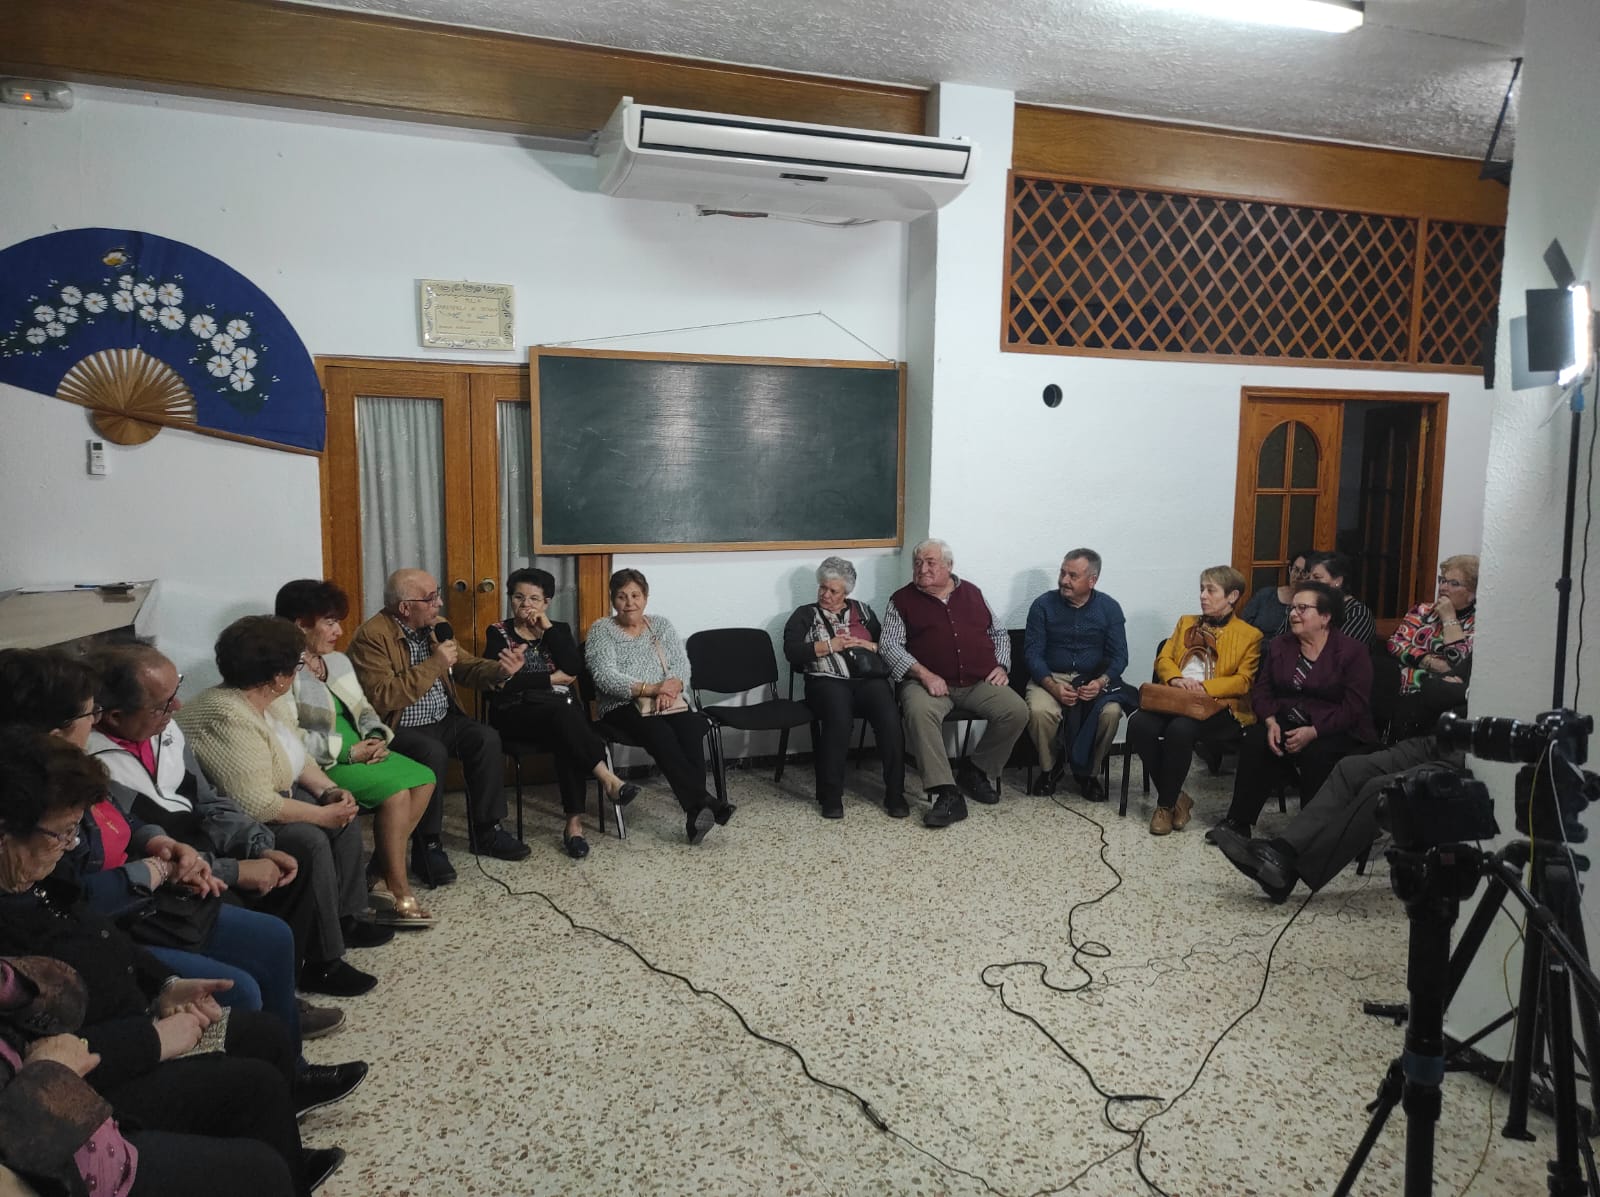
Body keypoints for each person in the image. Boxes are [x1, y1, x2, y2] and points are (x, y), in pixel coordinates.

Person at [0, 728, 360, 1194]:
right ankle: (269, 1166)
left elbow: (102, 936)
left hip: (131, 1023)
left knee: (261, 1033)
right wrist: (153, 1039)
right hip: (97, 1078)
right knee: (252, 1090)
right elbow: (43, 1055)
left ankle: (283, 1156)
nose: (72, 845)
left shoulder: (40, 874)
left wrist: (166, 984)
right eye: (62, 833)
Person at [0, 649, 347, 1033]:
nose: (96, 720)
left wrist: (161, 843)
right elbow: (74, 894)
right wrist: (183, 868)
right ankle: (267, 1036)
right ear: (56, 732)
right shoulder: (49, 794)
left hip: (164, 876)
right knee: (241, 981)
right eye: (90, 713)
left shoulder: (122, 747)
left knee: (276, 922)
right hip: (131, 910)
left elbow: (149, 813)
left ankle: (291, 1029)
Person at [175, 617, 383, 997]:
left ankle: (346, 917)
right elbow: (254, 803)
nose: (297, 670)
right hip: (231, 818)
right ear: (277, 676)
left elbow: (297, 757)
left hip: (275, 794)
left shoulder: (270, 701)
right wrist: (321, 815)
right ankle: (321, 962)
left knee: (344, 818)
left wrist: (329, 792)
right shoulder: (226, 714)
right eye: (295, 664)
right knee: (310, 838)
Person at [0, 954, 303, 1197]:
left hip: (80, 1100)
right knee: (261, 1169)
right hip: (70, 1142)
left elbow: (91, 955)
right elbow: (20, 1143)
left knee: (261, 1064)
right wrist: (150, 1039)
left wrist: (165, 985)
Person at [347, 568, 531, 885]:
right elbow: (383, 696)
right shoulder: (372, 637)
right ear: (405, 607)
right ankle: (427, 845)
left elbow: (465, 665)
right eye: (431, 598)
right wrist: (434, 664)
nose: (439, 603)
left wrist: (501, 670)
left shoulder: (435, 627)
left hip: (444, 719)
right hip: (397, 726)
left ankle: (487, 830)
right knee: (431, 752)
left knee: (485, 738)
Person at [275, 579, 437, 924]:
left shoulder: (336, 661)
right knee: (395, 795)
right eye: (329, 622)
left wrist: (378, 737)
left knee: (425, 778)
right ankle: (399, 889)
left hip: (361, 747)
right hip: (326, 760)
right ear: (299, 624)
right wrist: (349, 753)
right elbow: (290, 738)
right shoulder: (282, 671)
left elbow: (363, 708)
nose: (339, 630)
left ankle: (375, 872)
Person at [481, 568, 639, 859]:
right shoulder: (498, 633)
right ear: (510, 599)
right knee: (567, 719)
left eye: (533, 599)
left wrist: (547, 630)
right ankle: (607, 780)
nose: (525, 605)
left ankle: (574, 824)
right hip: (515, 713)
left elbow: (574, 669)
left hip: (558, 714)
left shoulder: (559, 630)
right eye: (518, 597)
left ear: (546, 602)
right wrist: (550, 679)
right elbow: (500, 684)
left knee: (565, 731)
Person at [879, 539, 1028, 828]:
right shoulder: (901, 600)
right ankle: (946, 793)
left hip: (977, 680)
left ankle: (975, 770)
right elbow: (889, 646)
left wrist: (1001, 665)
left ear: (949, 566)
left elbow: (998, 634)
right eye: (918, 563)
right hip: (925, 682)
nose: (923, 568)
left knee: (1017, 710)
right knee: (920, 714)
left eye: (930, 562)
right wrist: (924, 674)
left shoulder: (972, 593)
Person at [1212, 580, 1375, 839]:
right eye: (1292, 608)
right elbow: (1262, 690)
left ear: (1325, 617)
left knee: (1317, 753)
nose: (1293, 614)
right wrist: (1270, 722)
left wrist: (1314, 731)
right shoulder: (1280, 645)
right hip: (1287, 720)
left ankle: (1310, 831)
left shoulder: (1352, 652)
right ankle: (1238, 821)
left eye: (1302, 608)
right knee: (1255, 739)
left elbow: (1354, 707)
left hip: (1336, 728)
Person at [585, 568, 736, 845]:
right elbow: (605, 676)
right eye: (621, 596)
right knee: (660, 733)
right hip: (621, 705)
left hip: (666, 701)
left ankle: (696, 812)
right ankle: (705, 804)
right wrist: (652, 689)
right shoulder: (601, 630)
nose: (629, 602)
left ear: (646, 597)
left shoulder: (661, 625)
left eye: (635, 595)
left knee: (692, 727)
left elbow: (681, 665)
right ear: (612, 600)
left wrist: (673, 686)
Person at [1212, 736, 1458, 902]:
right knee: (1350, 768)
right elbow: (1432, 692)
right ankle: (1282, 849)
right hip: (1442, 740)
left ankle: (1291, 872)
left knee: (1382, 789)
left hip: (1467, 758)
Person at [1125, 566, 1263, 836]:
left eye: (1211, 590)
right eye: (1202, 589)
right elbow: (1164, 659)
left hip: (1221, 708)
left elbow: (1244, 680)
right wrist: (1176, 679)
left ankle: (1164, 806)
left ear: (1232, 596)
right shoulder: (1185, 622)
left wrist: (1203, 687)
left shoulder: (1250, 635)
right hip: (1177, 699)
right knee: (1139, 723)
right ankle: (1178, 798)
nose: (1203, 595)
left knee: (1181, 729)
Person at [781, 556, 907, 820]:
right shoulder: (805, 614)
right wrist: (830, 646)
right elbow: (791, 652)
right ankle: (831, 796)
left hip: (866, 680)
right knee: (839, 721)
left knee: (890, 719)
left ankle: (895, 794)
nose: (825, 594)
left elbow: (885, 645)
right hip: (825, 681)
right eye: (822, 588)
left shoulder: (864, 611)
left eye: (833, 590)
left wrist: (865, 645)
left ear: (846, 592)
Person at [1021, 548, 1137, 801]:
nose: (1064, 580)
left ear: (1092, 580)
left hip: (1094, 678)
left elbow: (1120, 657)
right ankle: (1050, 769)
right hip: (1051, 676)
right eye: (1063, 573)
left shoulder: (1109, 608)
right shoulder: (1042, 605)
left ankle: (1089, 774)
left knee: (1111, 713)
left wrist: (1101, 682)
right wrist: (1052, 686)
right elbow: (1032, 654)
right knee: (1040, 712)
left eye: (1073, 576)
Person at [1386, 554, 1477, 735]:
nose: (1443, 587)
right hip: (1403, 691)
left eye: (1454, 583)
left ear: (1472, 593)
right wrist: (1431, 662)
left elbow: (1458, 664)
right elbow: (1395, 643)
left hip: (1441, 702)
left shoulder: (1478, 623)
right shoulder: (1422, 610)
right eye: (1442, 580)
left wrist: (1449, 618)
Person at [1276, 551, 1377, 648]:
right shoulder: (1302, 606)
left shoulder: (1358, 614)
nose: (1310, 582)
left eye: (1316, 577)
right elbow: (1279, 642)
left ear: (1338, 581)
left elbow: (1341, 653)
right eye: (1309, 577)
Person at [1241, 549, 1309, 636]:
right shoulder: (1265, 595)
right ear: (1290, 569)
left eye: (1304, 572)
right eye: (1295, 569)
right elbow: (1243, 626)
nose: (1298, 576)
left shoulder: (1311, 606)